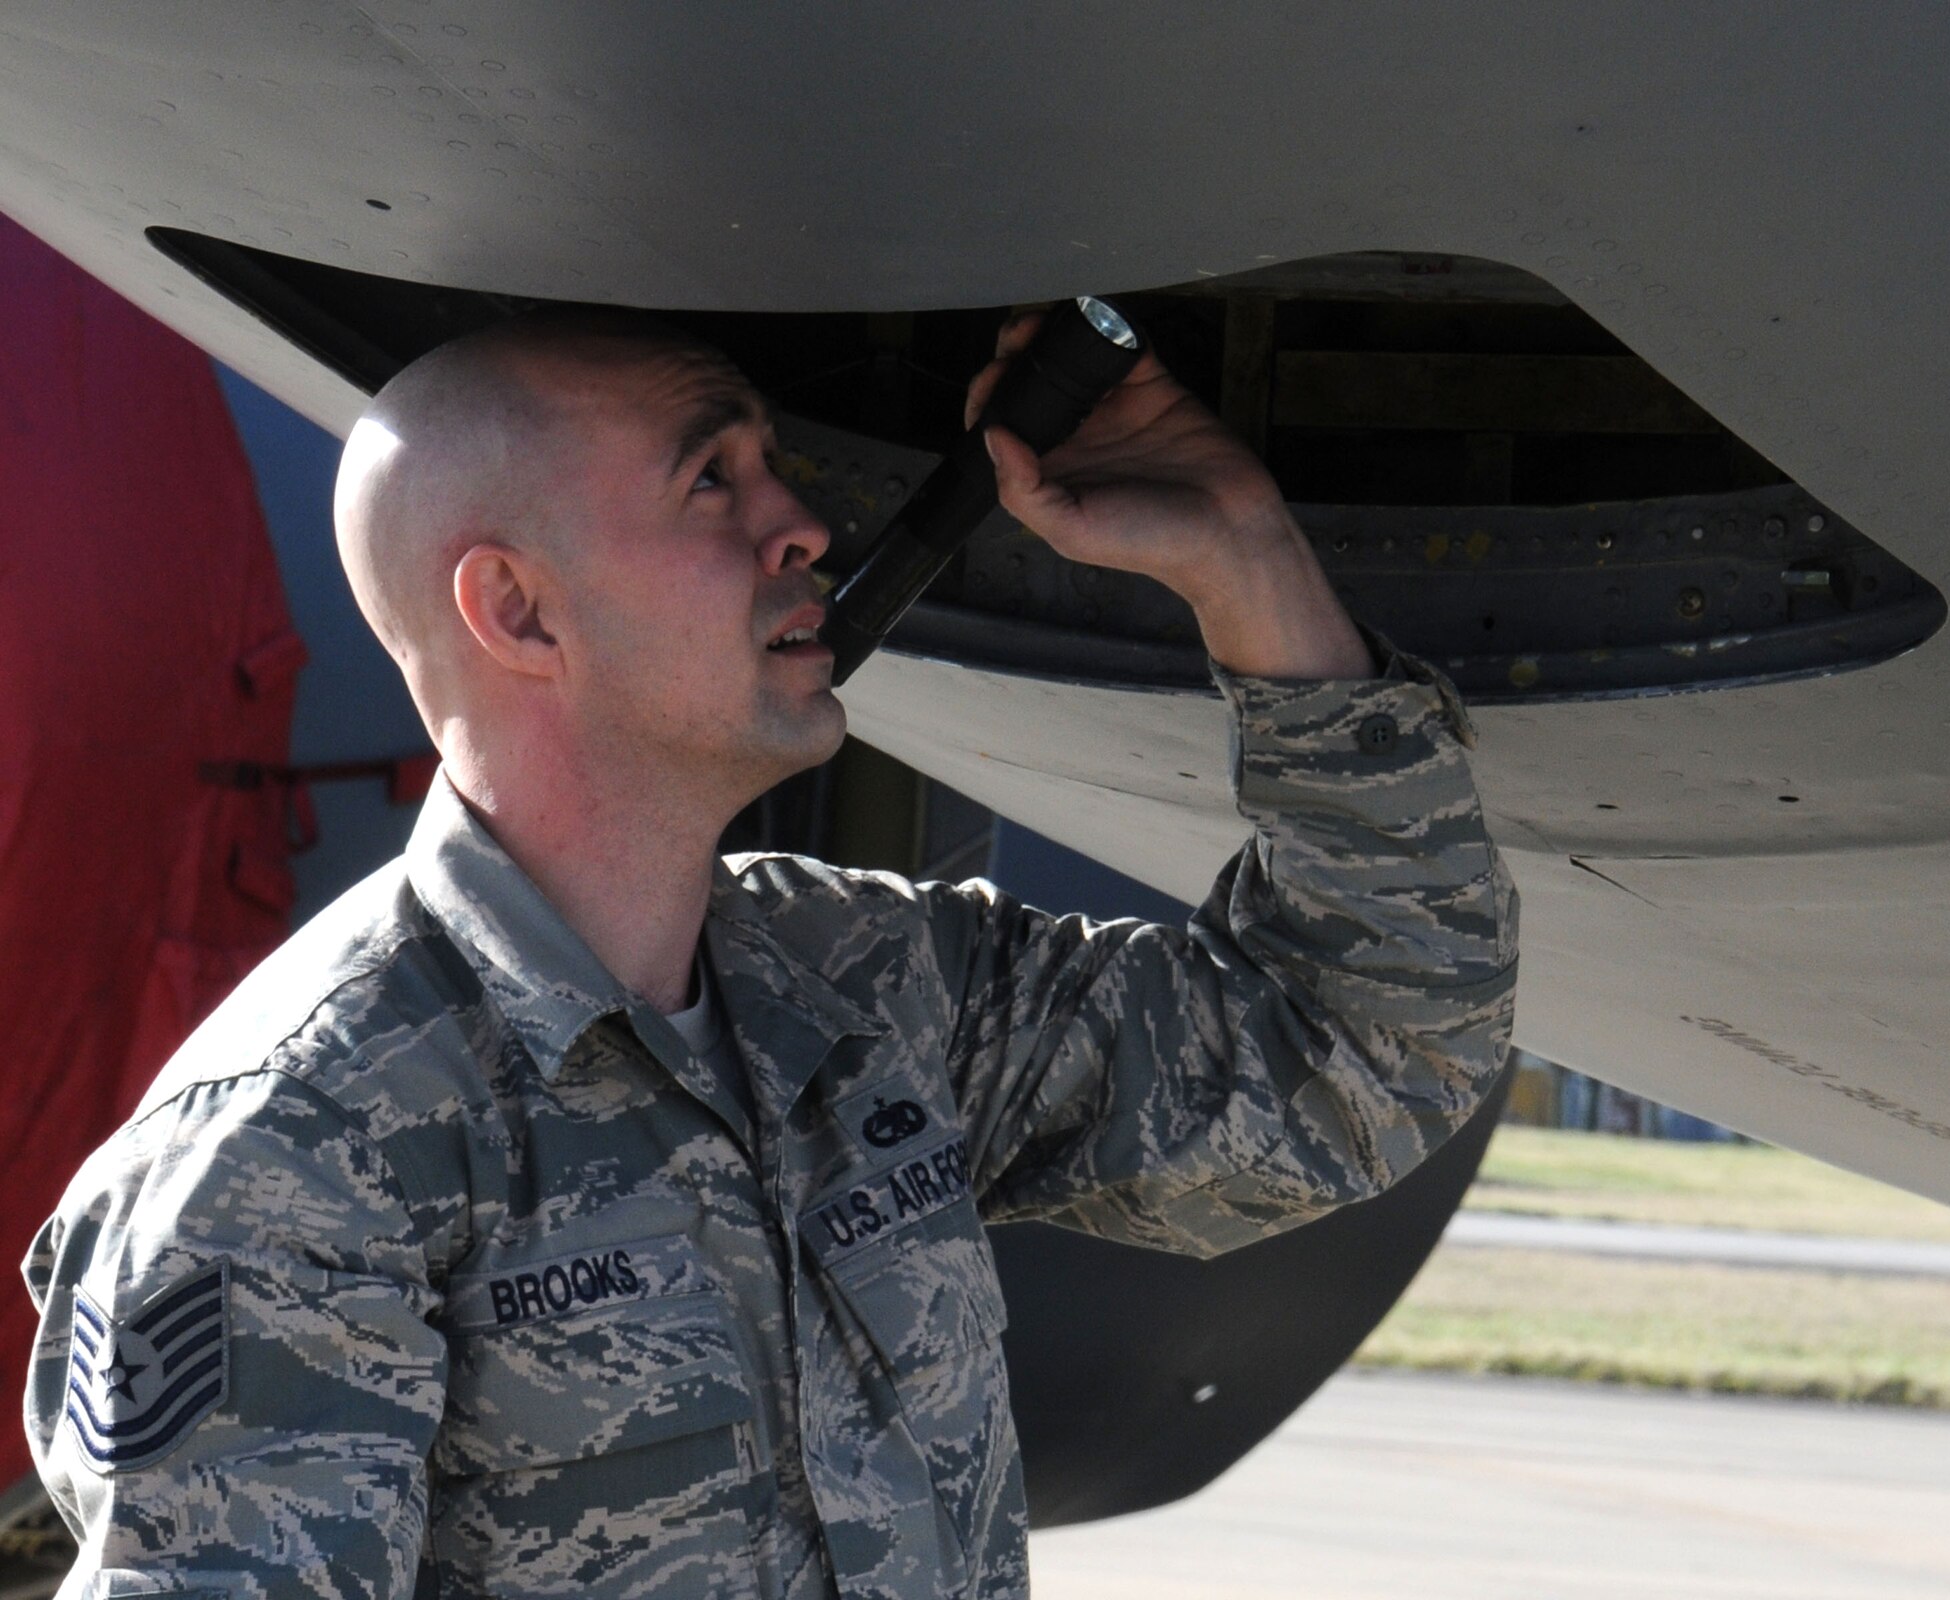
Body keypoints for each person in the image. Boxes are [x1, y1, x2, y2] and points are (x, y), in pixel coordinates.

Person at [22, 308, 1519, 1600]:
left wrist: (1246, 560)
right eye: (711, 481)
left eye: (768, 467)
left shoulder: (864, 985)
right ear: (516, 610)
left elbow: (1358, 1054)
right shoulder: (294, 1152)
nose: (798, 523)